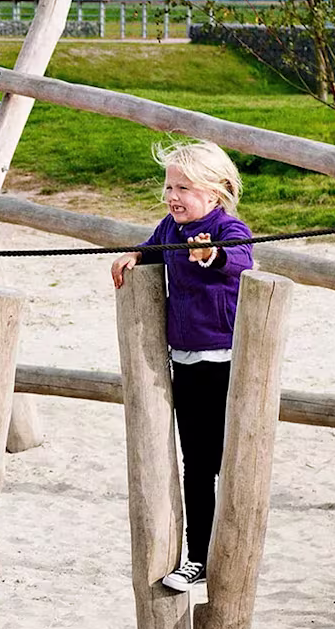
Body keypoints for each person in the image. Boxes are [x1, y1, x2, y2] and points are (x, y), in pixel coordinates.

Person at [109, 140, 254, 593]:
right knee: (196, 463)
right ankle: (198, 555)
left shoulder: (228, 229)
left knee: (227, 459)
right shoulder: (170, 229)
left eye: (185, 188)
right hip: (185, 361)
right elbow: (152, 248)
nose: (173, 196)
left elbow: (242, 258)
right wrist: (134, 255)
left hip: (225, 361)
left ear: (214, 193)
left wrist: (211, 255)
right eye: (170, 186)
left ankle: (232, 549)